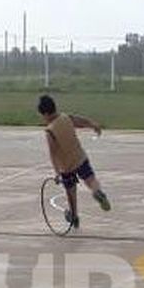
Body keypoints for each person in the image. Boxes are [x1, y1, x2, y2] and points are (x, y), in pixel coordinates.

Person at [38, 94, 111, 230]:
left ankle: (74, 216)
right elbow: (80, 121)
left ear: (46, 113)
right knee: (90, 179)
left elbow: (53, 154)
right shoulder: (66, 118)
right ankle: (97, 191)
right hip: (80, 158)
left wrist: (57, 173)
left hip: (66, 167)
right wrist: (92, 124)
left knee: (71, 191)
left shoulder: (50, 131)